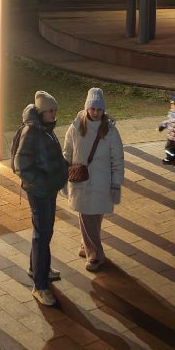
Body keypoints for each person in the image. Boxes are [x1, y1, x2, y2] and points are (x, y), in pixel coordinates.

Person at [12, 90, 69, 307]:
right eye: (50, 111)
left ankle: (37, 268)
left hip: (47, 189)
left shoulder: (44, 129)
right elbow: (20, 166)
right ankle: (40, 285)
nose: (54, 114)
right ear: (40, 112)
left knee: (44, 231)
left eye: (55, 110)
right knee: (42, 234)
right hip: (39, 191)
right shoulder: (32, 132)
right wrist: (42, 182)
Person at [63, 88, 125, 272]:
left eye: (99, 109)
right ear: (87, 108)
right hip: (81, 181)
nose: (96, 113)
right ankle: (95, 254)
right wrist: (62, 177)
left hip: (101, 182)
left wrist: (115, 184)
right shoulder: (75, 127)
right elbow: (67, 152)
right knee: (87, 215)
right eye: (93, 109)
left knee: (94, 217)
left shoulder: (110, 130)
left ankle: (86, 245)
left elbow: (118, 158)